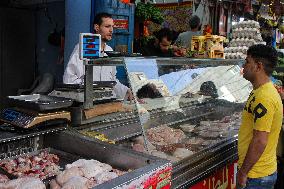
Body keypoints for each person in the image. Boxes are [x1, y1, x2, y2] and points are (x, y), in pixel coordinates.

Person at [237, 44, 283, 189]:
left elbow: (260, 141)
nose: (244, 66)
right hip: (257, 173)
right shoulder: (260, 90)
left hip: (256, 176)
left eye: (247, 61)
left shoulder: (264, 97)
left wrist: (243, 172)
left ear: (258, 66)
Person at [63, 12, 133, 100]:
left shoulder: (109, 50)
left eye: (112, 26)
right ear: (96, 27)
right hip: (87, 101)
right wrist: (91, 88)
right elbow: (69, 79)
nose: (111, 30)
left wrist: (126, 91)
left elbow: (112, 80)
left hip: (105, 101)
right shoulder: (84, 48)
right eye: (107, 26)